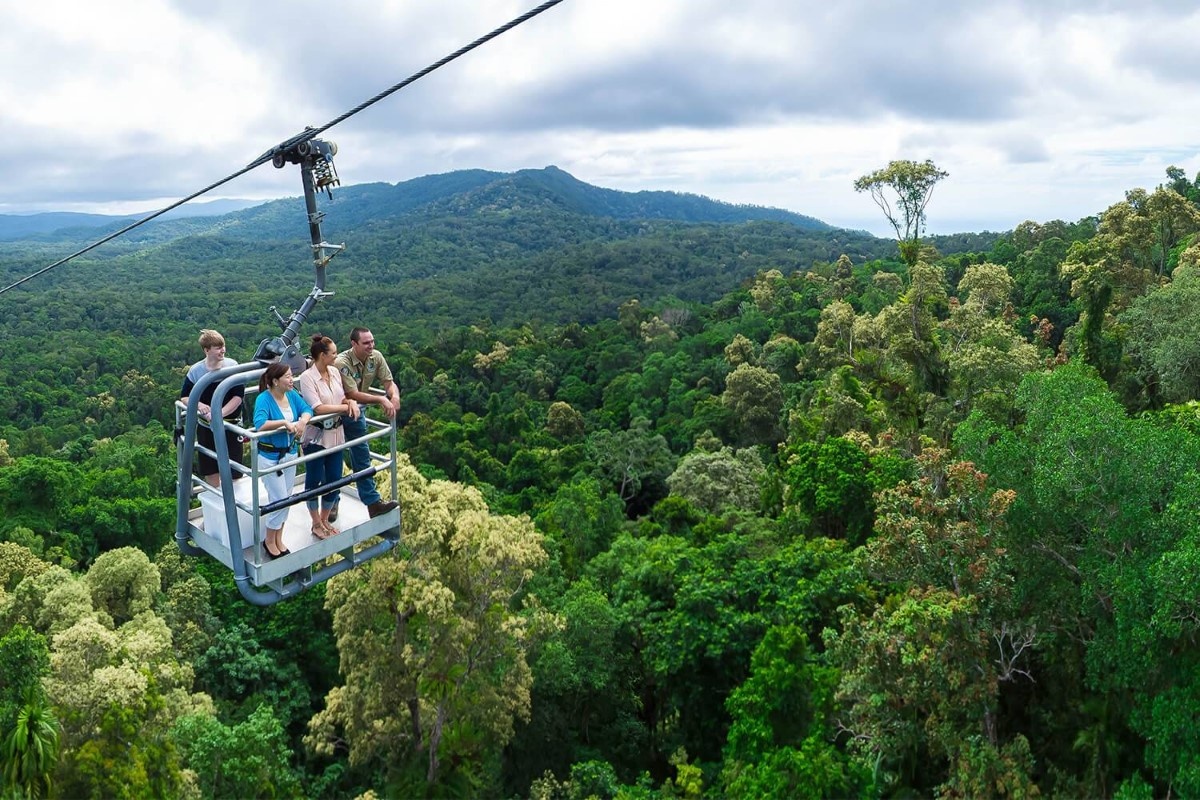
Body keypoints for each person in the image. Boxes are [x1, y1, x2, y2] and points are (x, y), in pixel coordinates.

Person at [331, 326, 400, 520]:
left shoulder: (375, 357)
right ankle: (332, 502)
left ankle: (372, 503)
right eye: (366, 343)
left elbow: (388, 382)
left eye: (372, 341)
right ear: (354, 344)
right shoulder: (341, 362)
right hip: (336, 412)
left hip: (355, 413)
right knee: (333, 457)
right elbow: (352, 393)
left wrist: (394, 396)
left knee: (362, 455)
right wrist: (381, 399)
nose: (371, 346)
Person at [299, 334, 360, 540]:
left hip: (336, 433)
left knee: (335, 479)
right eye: (333, 353)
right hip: (316, 436)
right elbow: (318, 407)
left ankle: (324, 520)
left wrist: (349, 402)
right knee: (314, 480)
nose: (336, 356)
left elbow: (341, 395)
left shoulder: (334, 372)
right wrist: (345, 407)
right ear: (322, 355)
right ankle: (315, 523)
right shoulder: (307, 378)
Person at [253, 362, 313, 558]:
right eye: (287, 377)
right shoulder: (264, 399)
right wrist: (284, 422)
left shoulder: (291, 395)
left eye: (291, 375)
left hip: (289, 454)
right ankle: (269, 540)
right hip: (270, 458)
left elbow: (307, 409)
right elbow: (260, 424)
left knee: (286, 497)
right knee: (280, 500)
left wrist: (302, 421)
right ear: (275, 381)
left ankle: (279, 537)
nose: (291, 380)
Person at [181, 329, 245, 487]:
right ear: (206, 350)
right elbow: (185, 397)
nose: (222, 350)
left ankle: (234, 506)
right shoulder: (196, 371)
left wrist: (219, 414)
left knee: (234, 470)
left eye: (223, 346)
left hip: (231, 426)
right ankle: (217, 504)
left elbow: (238, 397)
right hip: (206, 428)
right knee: (210, 468)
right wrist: (199, 404)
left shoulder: (232, 366)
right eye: (217, 347)